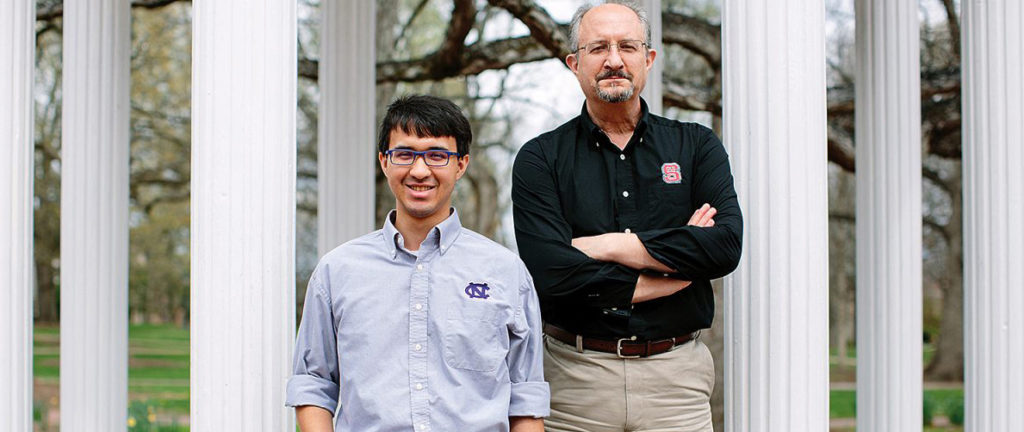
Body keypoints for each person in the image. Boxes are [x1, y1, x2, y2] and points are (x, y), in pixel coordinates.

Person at [511, 1, 742, 431]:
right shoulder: (540, 159)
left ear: (648, 59)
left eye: (628, 47)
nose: (614, 60)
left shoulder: (696, 147)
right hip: (575, 382)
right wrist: (676, 268)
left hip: (676, 382)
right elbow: (550, 273)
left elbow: (724, 246)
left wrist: (613, 245)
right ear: (574, 63)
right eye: (598, 48)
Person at [288, 95, 549, 432]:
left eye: (438, 155)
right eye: (405, 154)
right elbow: (313, 384)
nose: (420, 170)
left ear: (462, 164)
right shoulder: (336, 271)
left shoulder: (506, 273)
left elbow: (525, 399)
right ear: (384, 162)